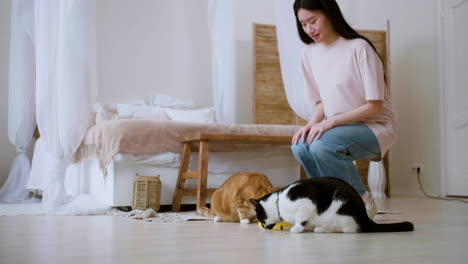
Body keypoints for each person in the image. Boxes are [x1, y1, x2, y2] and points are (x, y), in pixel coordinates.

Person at [290, 0, 397, 219]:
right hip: (341, 128)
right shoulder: (308, 53)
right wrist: (311, 125)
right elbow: (320, 102)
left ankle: (361, 201)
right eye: (303, 24)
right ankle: (326, 202)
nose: (309, 29)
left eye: (313, 21)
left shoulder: (359, 47)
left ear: (329, 14)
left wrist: (330, 122)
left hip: (375, 127)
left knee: (322, 146)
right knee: (301, 145)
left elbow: (374, 106)